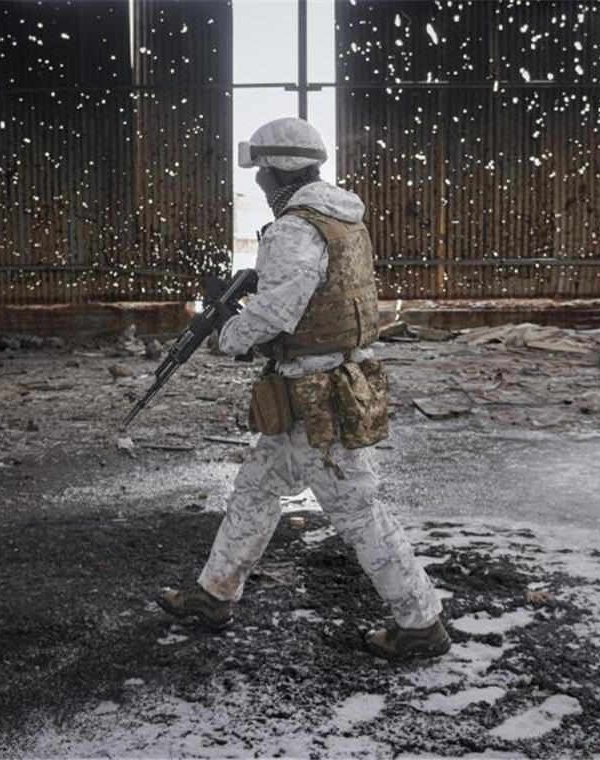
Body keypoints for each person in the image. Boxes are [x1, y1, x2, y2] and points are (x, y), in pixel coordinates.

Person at [158, 117, 450, 660]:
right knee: (257, 490)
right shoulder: (343, 219)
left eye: (262, 173)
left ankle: (421, 622)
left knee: (359, 512)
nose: (259, 185)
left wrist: (228, 333)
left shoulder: (296, 228)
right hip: (315, 386)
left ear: (276, 170)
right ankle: (213, 594)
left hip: (317, 398)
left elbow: (275, 312)